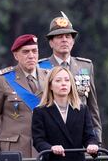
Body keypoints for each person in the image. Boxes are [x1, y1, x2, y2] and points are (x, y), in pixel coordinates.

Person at [38, 12, 102, 143]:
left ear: (73, 41)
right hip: (53, 139)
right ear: (51, 42)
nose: (64, 40)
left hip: (81, 138)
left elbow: (92, 107)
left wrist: (96, 140)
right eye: (59, 37)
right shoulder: (40, 68)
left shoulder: (85, 66)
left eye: (68, 36)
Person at [32, 66, 99, 161]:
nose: (63, 84)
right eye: (58, 81)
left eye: (67, 80)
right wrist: (51, 148)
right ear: (50, 85)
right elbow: (38, 140)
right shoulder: (40, 111)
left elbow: (89, 135)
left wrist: (92, 144)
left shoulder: (82, 109)